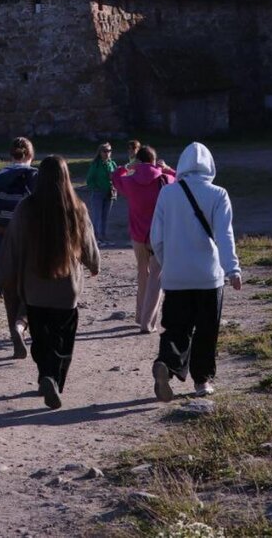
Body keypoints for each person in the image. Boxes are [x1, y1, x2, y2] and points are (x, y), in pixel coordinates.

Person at [0, 156, 100, 409]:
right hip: (67, 289)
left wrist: (1, 279)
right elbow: (88, 244)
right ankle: (54, 379)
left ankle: (45, 376)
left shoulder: (26, 207)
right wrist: (94, 264)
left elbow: (12, 247)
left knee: (41, 338)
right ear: (66, 177)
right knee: (63, 339)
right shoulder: (77, 208)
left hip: (35, 288)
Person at [150, 143, 242, 401]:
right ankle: (202, 381)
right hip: (208, 278)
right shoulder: (219, 194)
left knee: (175, 328)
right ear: (210, 166)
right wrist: (232, 268)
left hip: (176, 276)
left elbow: (156, 237)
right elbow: (225, 235)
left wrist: (168, 263)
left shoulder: (167, 194)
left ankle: (166, 366)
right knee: (206, 330)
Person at [0, 137, 38, 359]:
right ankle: (22, 324)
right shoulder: (38, 178)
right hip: (32, 243)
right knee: (33, 287)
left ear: (11, 155)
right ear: (31, 155)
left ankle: (15, 336)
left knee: (9, 291)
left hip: (2, 241)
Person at [112, 146, 176, 333]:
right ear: (155, 161)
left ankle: (140, 314)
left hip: (138, 235)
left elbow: (115, 177)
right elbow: (183, 179)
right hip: (159, 235)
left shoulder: (130, 181)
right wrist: (167, 168)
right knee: (156, 277)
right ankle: (147, 322)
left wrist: (127, 166)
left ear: (138, 161)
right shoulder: (164, 179)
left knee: (142, 273)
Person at [85, 143, 117, 244]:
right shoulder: (96, 164)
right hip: (98, 193)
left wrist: (115, 186)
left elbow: (117, 178)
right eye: (105, 151)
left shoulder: (112, 164)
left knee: (105, 216)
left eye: (109, 151)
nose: (107, 153)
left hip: (109, 193)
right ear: (100, 152)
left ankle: (103, 237)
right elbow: (89, 180)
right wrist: (96, 188)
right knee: (97, 217)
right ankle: (95, 238)